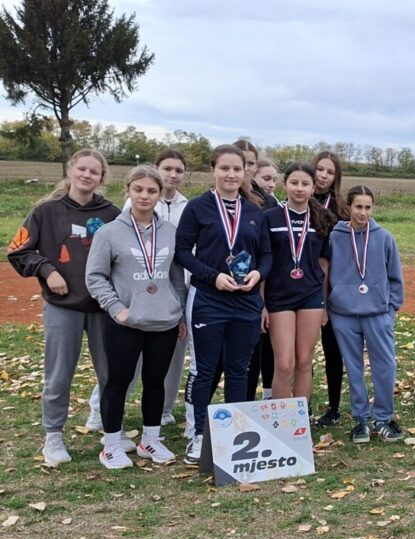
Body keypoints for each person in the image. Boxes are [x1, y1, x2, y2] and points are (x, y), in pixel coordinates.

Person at [7, 149, 120, 466]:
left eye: (94, 171)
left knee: (111, 373)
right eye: (82, 169)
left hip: (103, 306)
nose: (87, 175)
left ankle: (112, 431)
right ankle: (53, 436)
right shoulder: (46, 211)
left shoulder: (111, 213)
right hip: (62, 306)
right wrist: (47, 270)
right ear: (71, 170)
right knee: (59, 374)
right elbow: (18, 250)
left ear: (101, 178)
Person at [175, 144, 271, 466]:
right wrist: (212, 276)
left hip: (245, 302)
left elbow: (267, 255)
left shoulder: (254, 210)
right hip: (208, 298)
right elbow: (183, 251)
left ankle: (234, 433)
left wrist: (259, 273)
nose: (231, 174)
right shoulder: (198, 208)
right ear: (213, 170)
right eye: (225, 168)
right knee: (204, 370)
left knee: (239, 370)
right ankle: (198, 435)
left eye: (237, 169)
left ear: (246, 172)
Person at [85, 165, 186, 468]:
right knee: (117, 382)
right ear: (128, 190)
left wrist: (178, 312)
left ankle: (150, 440)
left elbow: (176, 277)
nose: (145, 195)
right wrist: (117, 309)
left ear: (159, 194)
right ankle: (112, 444)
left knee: (156, 382)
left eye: (151, 190)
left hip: (164, 321)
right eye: (138, 189)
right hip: (125, 322)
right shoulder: (109, 232)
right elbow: (95, 277)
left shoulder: (169, 232)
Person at [327, 186, 405, 442]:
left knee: (385, 365)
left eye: (368, 207)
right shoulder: (335, 236)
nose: (363, 212)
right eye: (358, 207)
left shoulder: (383, 237)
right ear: (348, 207)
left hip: (377, 313)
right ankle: (360, 419)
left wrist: (391, 307)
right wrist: (330, 302)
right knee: (353, 367)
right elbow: (326, 273)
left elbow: (395, 276)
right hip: (344, 314)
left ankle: (383, 417)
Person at [264, 163, 334, 401]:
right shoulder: (270, 218)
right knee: (284, 363)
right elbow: (263, 262)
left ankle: (300, 423)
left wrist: (323, 301)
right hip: (279, 296)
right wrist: (261, 303)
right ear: (285, 184)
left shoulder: (321, 219)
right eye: (294, 183)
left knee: (304, 361)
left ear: (314, 187)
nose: (299, 188)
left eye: (305, 184)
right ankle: (279, 421)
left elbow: (324, 264)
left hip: (311, 296)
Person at [233, 139, 274, 401]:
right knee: (216, 362)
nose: (245, 169)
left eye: (250, 163)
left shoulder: (267, 204)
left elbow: (268, 254)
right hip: (219, 289)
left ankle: (246, 409)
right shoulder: (209, 200)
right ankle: (199, 422)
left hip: (253, 291)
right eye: (241, 163)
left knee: (253, 354)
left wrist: (263, 300)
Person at [311, 151, 350, 426]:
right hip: (297, 286)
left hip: (331, 287)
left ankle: (333, 408)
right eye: (320, 169)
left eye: (330, 172)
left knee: (332, 349)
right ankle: (297, 405)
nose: (323, 175)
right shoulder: (295, 199)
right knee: (296, 353)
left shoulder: (341, 208)